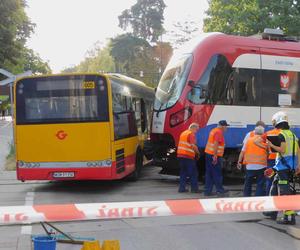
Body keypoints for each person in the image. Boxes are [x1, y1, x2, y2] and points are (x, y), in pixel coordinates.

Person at [264, 111, 300, 225]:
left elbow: (282, 150)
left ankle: (289, 218)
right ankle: (272, 211)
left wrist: (271, 145)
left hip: (283, 168)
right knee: (274, 188)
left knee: (284, 192)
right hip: (288, 167)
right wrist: (298, 165)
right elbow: (298, 152)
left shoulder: (282, 135)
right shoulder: (293, 135)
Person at [237, 125, 268, 196]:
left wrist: (239, 162)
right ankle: (258, 197)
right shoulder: (264, 141)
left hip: (249, 166)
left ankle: (246, 196)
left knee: (248, 182)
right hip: (261, 166)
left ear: (255, 132)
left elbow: (242, 152)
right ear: (263, 133)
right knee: (260, 183)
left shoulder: (248, 140)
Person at [204, 120, 229, 196]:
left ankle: (208, 191)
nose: (227, 128)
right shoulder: (219, 132)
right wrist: (215, 156)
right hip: (214, 155)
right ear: (222, 126)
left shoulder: (214, 130)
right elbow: (216, 144)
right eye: (226, 126)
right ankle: (220, 190)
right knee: (216, 174)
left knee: (209, 173)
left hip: (209, 154)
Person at [177, 123, 200, 193]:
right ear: (193, 128)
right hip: (188, 156)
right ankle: (194, 189)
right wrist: (198, 153)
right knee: (193, 173)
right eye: (196, 130)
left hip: (181, 155)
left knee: (183, 173)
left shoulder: (183, 133)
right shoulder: (191, 134)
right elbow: (193, 146)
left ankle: (182, 189)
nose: (196, 132)